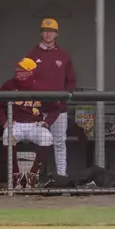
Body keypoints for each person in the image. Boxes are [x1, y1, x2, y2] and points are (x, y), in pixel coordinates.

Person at [0, 58, 54, 189]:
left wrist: (47, 122)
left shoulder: (42, 87)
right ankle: (15, 175)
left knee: (47, 138)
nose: (17, 71)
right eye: (18, 69)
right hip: (16, 124)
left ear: (30, 72)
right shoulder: (9, 85)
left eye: (22, 70)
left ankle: (33, 174)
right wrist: (4, 122)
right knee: (8, 136)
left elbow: (56, 107)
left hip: (35, 124)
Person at [26, 18, 77, 178]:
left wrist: (63, 99)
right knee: (38, 142)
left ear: (56, 34)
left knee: (60, 142)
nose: (48, 34)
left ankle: (61, 176)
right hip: (38, 109)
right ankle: (35, 176)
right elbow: (24, 77)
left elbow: (71, 81)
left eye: (52, 31)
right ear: (41, 32)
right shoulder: (32, 54)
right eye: (46, 30)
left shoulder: (63, 56)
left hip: (58, 109)